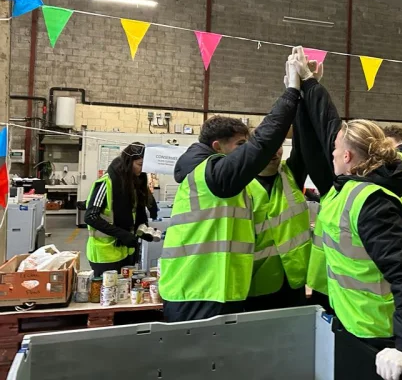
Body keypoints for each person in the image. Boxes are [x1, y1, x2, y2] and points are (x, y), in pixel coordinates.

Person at [290, 47, 402, 380]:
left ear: (348, 157)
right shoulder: (361, 184)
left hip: (378, 333)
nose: (331, 152)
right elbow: (329, 127)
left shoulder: (371, 201)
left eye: (336, 149)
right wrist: (306, 86)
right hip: (355, 320)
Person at [159, 56, 302, 323]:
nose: (246, 152)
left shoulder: (215, 175)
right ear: (217, 147)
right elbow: (261, 145)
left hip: (219, 288)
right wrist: (291, 93)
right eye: (239, 145)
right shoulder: (212, 175)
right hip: (197, 291)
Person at [243, 129, 311, 311]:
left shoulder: (292, 173)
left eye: (278, 145)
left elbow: (305, 142)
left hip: (293, 279)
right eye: (267, 146)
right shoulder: (240, 182)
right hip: (255, 282)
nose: (274, 152)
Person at [85, 142, 158, 277]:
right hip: (105, 254)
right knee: (108, 293)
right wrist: (121, 234)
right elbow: (90, 217)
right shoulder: (107, 183)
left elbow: (135, 215)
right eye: (139, 164)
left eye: (144, 166)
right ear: (129, 162)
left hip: (126, 251)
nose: (142, 170)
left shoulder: (134, 183)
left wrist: (144, 232)